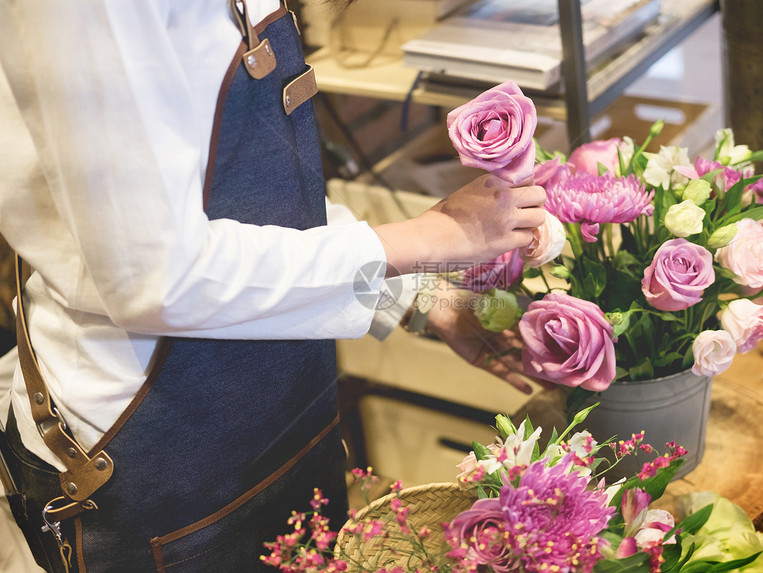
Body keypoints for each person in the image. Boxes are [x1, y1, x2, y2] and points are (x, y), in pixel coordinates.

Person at [0, 1, 546, 571]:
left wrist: (421, 298)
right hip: (147, 448)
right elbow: (159, 276)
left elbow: (258, 213)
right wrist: (434, 238)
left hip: (283, 404)